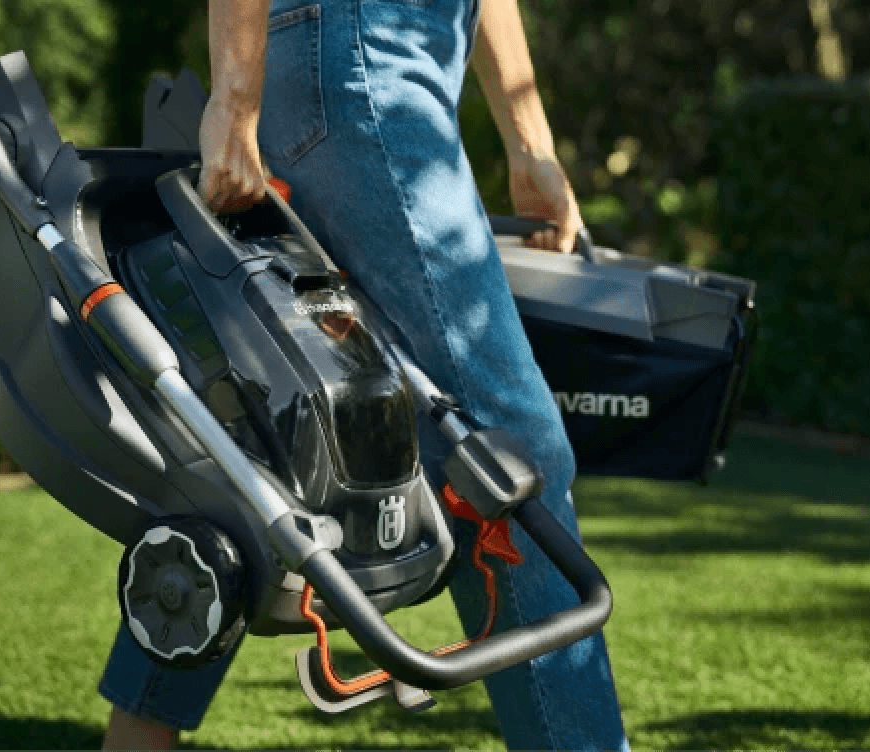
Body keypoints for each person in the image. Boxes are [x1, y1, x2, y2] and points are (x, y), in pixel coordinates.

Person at [101, 0, 631, 749]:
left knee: (273, 432)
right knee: (513, 451)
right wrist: (235, 94)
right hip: (356, 57)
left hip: (370, 63)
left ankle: (136, 737)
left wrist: (530, 144)